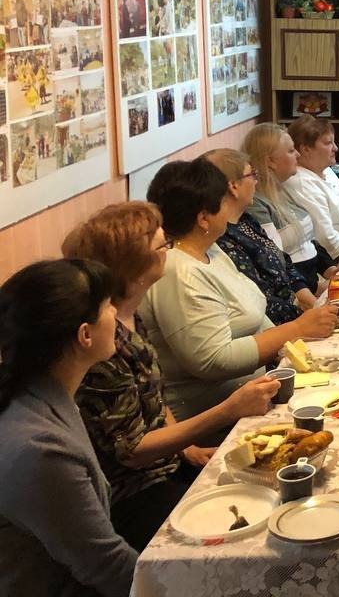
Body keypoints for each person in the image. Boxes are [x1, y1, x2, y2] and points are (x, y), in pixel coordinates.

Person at [62, 202, 278, 550]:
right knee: (251, 533)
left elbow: (154, 397)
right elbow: (131, 452)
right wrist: (228, 410)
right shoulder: (104, 346)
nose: (169, 249)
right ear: (133, 268)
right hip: (137, 493)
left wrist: (187, 448)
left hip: (168, 466)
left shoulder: (131, 317)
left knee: (271, 483)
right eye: (161, 245)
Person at [141, 158, 339, 421]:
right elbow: (213, 360)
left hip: (257, 397)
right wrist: (297, 329)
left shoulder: (210, 249)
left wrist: (300, 345)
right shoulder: (180, 271)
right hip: (215, 421)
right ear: (203, 218)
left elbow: (258, 317)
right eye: (223, 202)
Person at [0, 258, 137, 597]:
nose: (116, 312)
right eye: (107, 306)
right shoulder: (40, 448)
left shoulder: (39, 395)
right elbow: (107, 567)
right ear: (84, 334)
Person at [205, 148, 318, 325]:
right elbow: (262, 300)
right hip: (279, 327)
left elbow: (284, 261)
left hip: (297, 315)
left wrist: (312, 303)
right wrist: (305, 317)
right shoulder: (222, 238)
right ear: (233, 186)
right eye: (252, 175)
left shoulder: (246, 220)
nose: (256, 182)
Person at [242, 123, 337, 291]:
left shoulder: (282, 188)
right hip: (299, 292)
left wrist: (330, 269)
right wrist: (316, 292)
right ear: (271, 161)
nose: (298, 155)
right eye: (291, 150)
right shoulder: (256, 204)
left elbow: (309, 241)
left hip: (315, 282)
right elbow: (276, 262)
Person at [284, 115, 339, 264]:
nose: (335, 148)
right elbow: (327, 239)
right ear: (305, 149)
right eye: (328, 143)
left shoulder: (326, 169)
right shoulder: (301, 182)